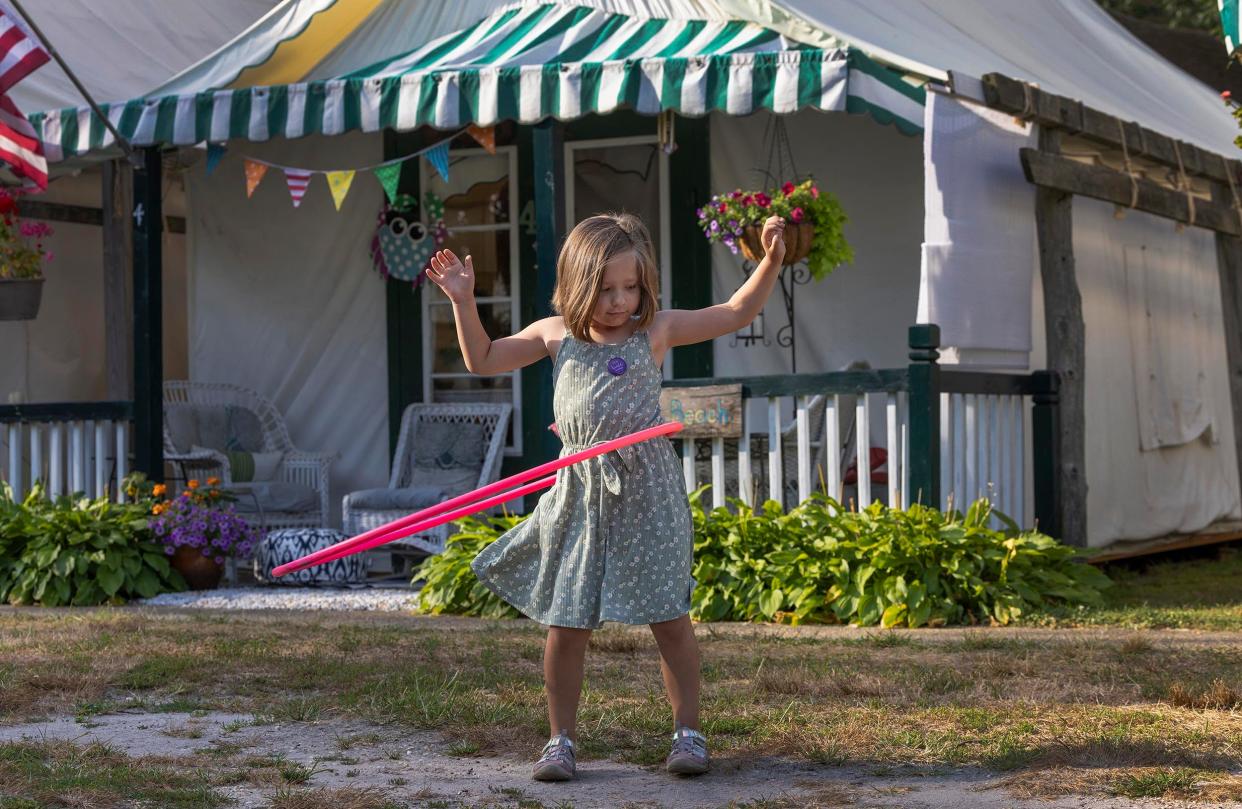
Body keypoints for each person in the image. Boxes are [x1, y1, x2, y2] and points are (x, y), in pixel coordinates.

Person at [424, 211, 786, 781]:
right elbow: (483, 359)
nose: (620, 301)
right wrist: (463, 301)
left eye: (631, 287)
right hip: (580, 491)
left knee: (669, 617)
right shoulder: (554, 334)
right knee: (567, 623)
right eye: (606, 288)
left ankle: (688, 732)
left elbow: (735, 312)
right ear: (577, 283)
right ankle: (560, 740)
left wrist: (769, 261)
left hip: (648, 490)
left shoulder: (655, 331)